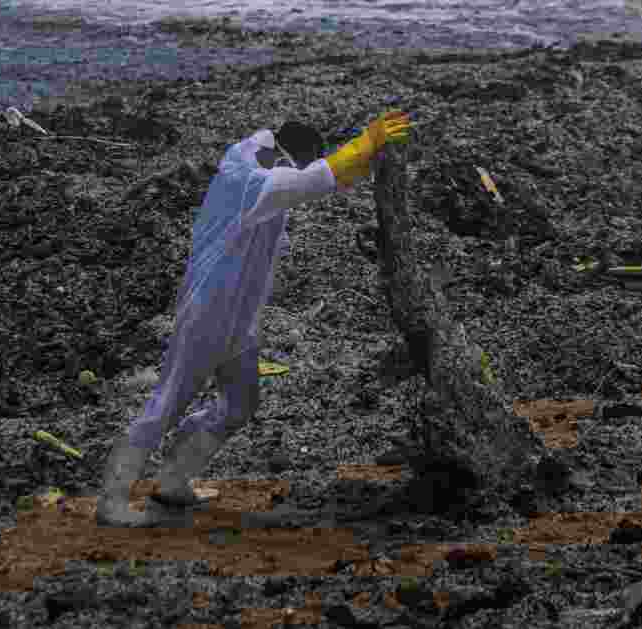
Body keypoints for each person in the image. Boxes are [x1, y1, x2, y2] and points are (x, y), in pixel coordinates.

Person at [96, 109, 412, 527]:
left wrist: (365, 155)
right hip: (208, 311)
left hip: (238, 316)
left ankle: (173, 479)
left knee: (241, 402)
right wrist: (365, 142)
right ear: (286, 156)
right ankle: (112, 498)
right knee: (168, 402)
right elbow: (310, 180)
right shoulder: (248, 178)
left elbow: (320, 177)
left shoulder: (258, 158)